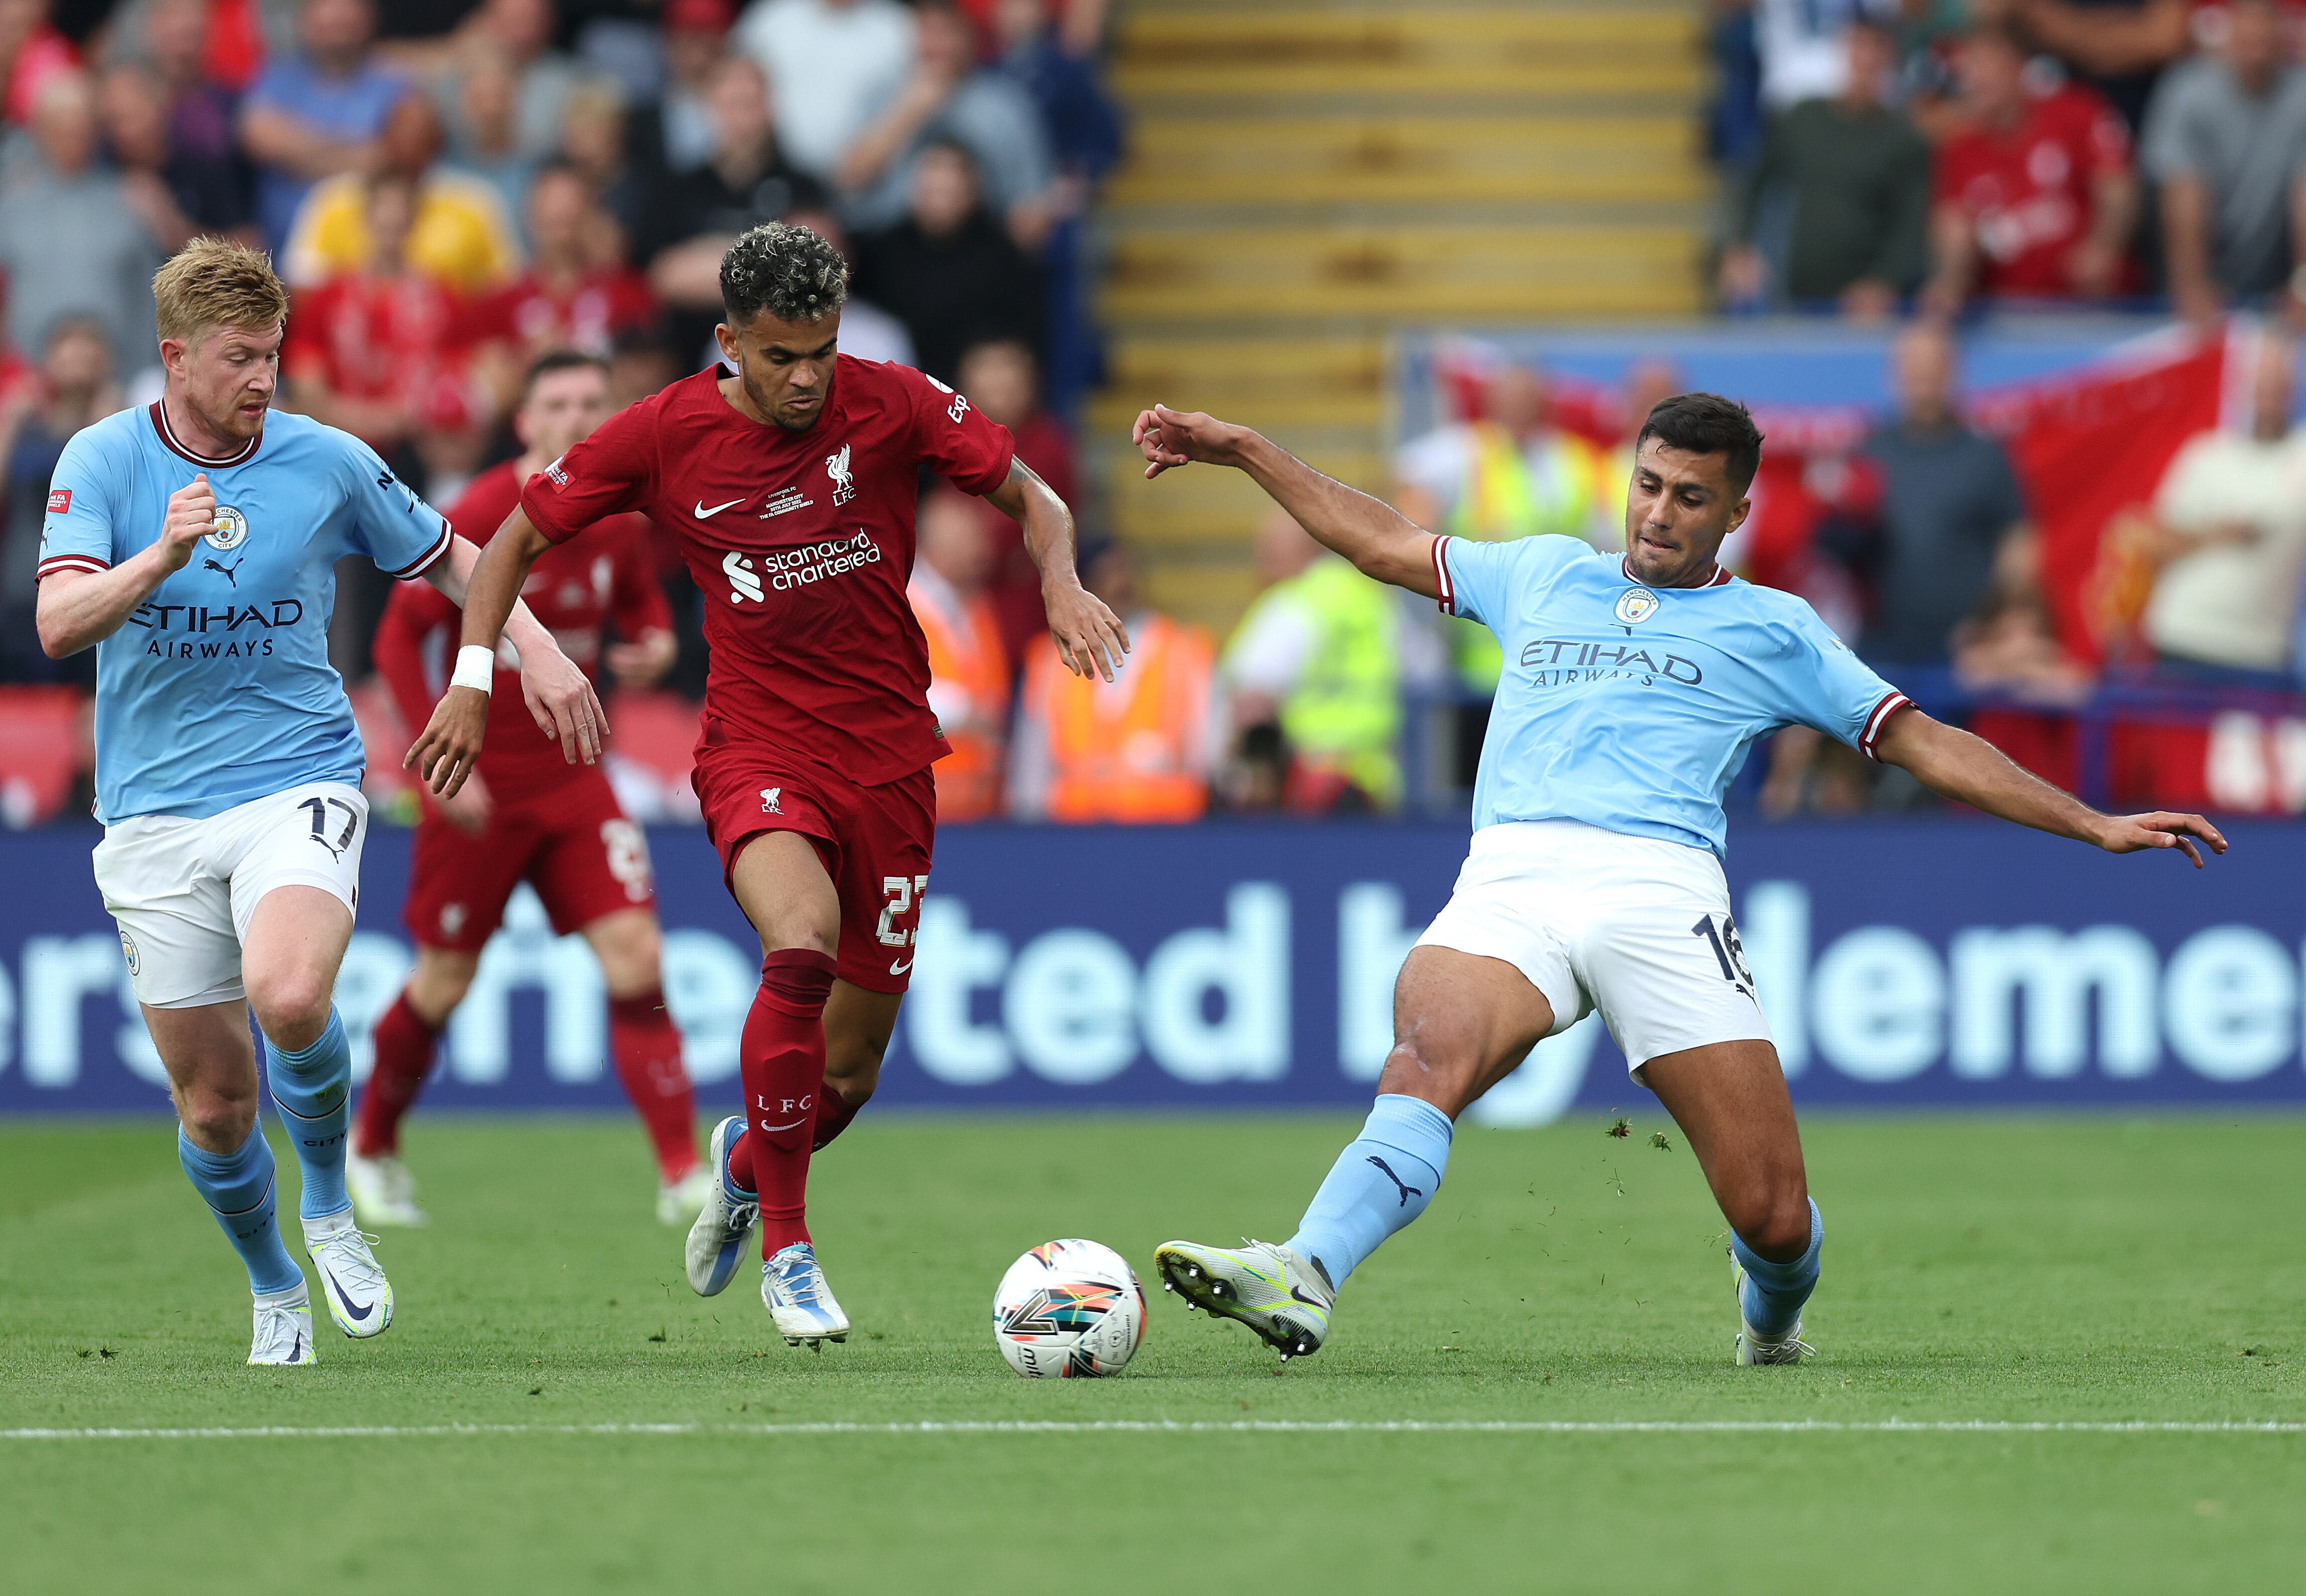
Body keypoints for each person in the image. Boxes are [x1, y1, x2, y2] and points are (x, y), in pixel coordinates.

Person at [1130, 391, 2226, 1366]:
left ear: (1734, 514)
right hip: (1512, 873)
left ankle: (1772, 1311)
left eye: (1690, 498)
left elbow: (1921, 739)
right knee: (1428, 1053)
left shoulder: (1774, 627)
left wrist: (2090, 823)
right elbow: (1380, 540)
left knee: (1774, 1213)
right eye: (1648, 485)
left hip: (1660, 893)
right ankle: (1304, 1270)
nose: (1659, 512)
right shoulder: (1542, 570)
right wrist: (1243, 449)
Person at [403, 221, 1126, 1346]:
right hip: (758, 749)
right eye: (780, 355)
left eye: (821, 352)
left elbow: (1037, 496)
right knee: (799, 939)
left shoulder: (890, 400)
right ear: (728, 339)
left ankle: (747, 1160)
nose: (804, 378)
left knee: (849, 1071)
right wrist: (474, 677)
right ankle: (787, 1247)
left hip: (891, 758)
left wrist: (1063, 581)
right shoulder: (657, 433)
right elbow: (504, 544)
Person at [34, 236, 603, 1363]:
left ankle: (333, 1205)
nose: (263, 379)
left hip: (295, 774)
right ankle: (273, 1281)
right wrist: (158, 558)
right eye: (241, 358)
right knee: (213, 1108)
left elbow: (455, 555)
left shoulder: (327, 459)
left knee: (290, 995)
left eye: (274, 356)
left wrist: (530, 652)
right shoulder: (100, 461)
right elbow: (58, 624)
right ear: (176, 357)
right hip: (149, 809)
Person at [356, 349, 705, 1227]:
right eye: (558, 401)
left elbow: (641, 602)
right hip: (484, 783)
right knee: (443, 982)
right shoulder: (481, 513)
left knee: (639, 961)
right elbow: (400, 640)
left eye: (594, 399)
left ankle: (678, 1172)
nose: (578, 415)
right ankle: (370, 1145)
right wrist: (435, 764)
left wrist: (655, 642)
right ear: (526, 421)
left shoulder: (617, 514)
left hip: (579, 781)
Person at [1392, 362, 1611, 692]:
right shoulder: (1468, 450)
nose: (1519, 415)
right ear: (1493, 406)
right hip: (1481, 667)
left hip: (1561, 657)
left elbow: (1604, 542)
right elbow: (1406, 476)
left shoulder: (1574, 461)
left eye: (1528, 405)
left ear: (1543, 409)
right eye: (1511, 405)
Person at [1721, 18, 1930, 318]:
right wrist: (1740, 245)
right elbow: (1756, 182)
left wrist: (1885, 282)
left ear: (1891, 58)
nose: (1867, 59)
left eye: (1877, 49)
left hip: (1868, 306)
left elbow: (1911, 222)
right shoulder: (1804, 118)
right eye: (1859, 46)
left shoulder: (1904, 136)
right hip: (1795, 294)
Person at [1856, 323, 2033, 667]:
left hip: (1966, 655)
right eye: (1913, 367)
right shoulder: (1867, 455)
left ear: (1953, 372)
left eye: (1933, 367)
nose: (1923, 378)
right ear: (1895, 375)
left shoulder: (1986, 456)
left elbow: (2019, 549)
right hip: (1882, 652)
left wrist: (1993, 624)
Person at [1925, 26, 2137, 312]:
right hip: (2006, 316)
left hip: (2094, 307)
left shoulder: (2074, 112)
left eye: (1985, 64)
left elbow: (2117, 185)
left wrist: (2104, 246)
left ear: (2017, 66)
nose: (1974, 78)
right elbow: (1953, 227)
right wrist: (1950, 281)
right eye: (1968, 68)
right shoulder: (1960, 148)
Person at [2138, 330, 2306, 685]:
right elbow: (2152, 542)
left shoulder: (2300, 458)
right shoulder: (2206, 456)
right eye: (2263, 379)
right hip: (2181, 639)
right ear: (2245, 385)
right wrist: (2221, 533)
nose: (2271, 392)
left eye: (2279, 380)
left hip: (2259, 653)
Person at [640, 54, 828, 366]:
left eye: (751, 103)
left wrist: (705, 261)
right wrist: (766, 266)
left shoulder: (803, 187)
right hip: (687, 360)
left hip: (779, 359)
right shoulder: (677, 189)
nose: (742, 116)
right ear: (709, 107)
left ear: (770, 106)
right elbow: (662, 277)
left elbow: (812, 276)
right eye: (732, 103)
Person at [1009, 540, 1216, 822]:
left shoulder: (1184, 650)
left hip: (1165, 830)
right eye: (1107, 573)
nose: (1121, 583)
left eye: (1125, 571)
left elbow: (1209, 752)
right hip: (1073, 831)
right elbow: (1031, 761)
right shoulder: (1051, 659)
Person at [1221, 508, 1409, 813]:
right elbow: (1425, 665)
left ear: (1302, 551)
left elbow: (1251, 701)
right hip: (1376, 783)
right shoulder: (1372, 596)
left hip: (1311, 785)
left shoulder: (1292, 603)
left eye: (1270, 555)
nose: (1263, 569)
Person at [2140, 0, 2306, 328]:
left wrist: (2303, 289)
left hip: (2276, 283)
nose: (2257, 47)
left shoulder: (2301, 96)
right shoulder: (2187, 93)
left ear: (2282, 38)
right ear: (2229, 35)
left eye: (2265, 36)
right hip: (2193, 279)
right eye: (2248, 37)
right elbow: (2183, 196)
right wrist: (2192, 288)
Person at [834, 0, 1055, 241]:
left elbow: (1032, 206)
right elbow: (850, 179)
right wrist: (910, 109)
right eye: (927, 31)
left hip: (977, 248)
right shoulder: (882, 94)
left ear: (970, 38)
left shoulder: (1006, 105)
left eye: (946, 32)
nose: (937, 45)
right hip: (888, 247)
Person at [0, 72, 165, 374]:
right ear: (39, 132)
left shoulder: (127, 200)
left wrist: (142, 374)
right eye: (60, 128)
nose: (71, 139)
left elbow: (149, 294)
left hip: (116, 380)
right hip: (28, 383)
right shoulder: (13, 204)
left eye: (80, 128)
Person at [282, 92, 520, 295]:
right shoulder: (332, 200)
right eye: (401, 135)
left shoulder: (475, 202)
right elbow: (302, 288)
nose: (409, 147)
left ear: (437, 144)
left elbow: (505, 289)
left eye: (420, 137)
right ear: (382, 138)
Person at [852, 140, 1042, 384]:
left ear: (973, 189)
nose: (941, 197)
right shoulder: (879, 255)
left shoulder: (1004, 259)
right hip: (897, 392)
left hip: (973, 399)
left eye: (951, 188)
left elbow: (1016, 344)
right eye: (933, 186)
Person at [1, 318, 119, 685]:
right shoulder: (23, 427)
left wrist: (110, 425)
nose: (78, 366)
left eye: (89, 356)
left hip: (90, 592)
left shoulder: (119, 428)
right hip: (21, 591)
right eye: (69, 354)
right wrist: (9, 422)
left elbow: (125, 507)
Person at [237, 0, 408, 254]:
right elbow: (258, 138)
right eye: (326, 7)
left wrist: (296, 149)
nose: (338, 16)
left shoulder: (393, 81)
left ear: (369, 18)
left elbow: (398, 154)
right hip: (276, 260)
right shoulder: (277, 77)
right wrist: (357, 155)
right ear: (305, 19)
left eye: (349, 7)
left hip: (364, 265)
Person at [909, 485, 1009, 820]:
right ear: (941, 547)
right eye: (971, 540)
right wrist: (964, 712)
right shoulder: (900, 606)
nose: (983, 550)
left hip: (979, 803)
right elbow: (887, 689)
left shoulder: (978, 609)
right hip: (920, 804)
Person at [732, 0, 915, 184]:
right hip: (775, 179)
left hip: (871, 187)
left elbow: (919, 98)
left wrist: (868, 158)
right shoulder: (770, 18)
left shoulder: (897, 26)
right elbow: (734, 89)